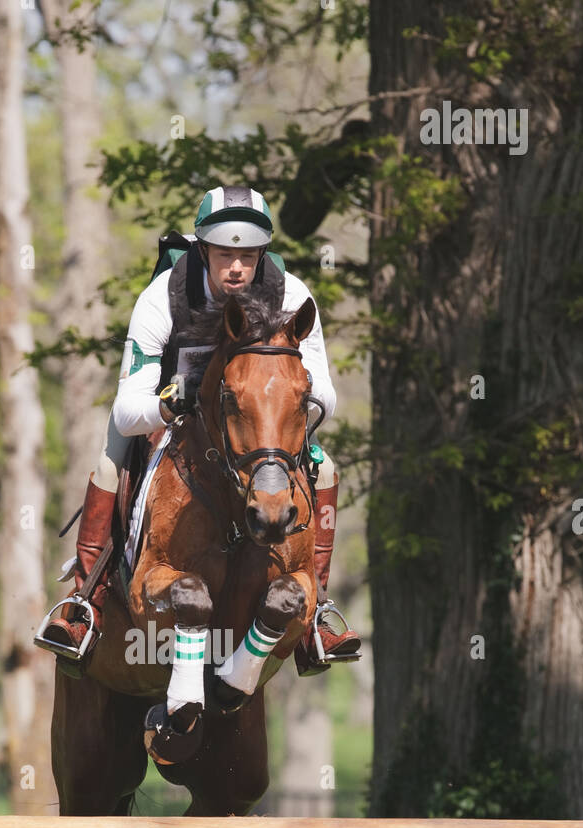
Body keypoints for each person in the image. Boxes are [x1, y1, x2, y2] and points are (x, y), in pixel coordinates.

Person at [36, 184, 360, 675]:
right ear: (203, 250)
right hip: (171, 414)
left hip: (255, 425)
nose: (236, 267)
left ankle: (318, 614)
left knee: (327, 466)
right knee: (108, 462)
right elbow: (127, 409)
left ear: (262, 254)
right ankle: (87, 602)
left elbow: (327, 400)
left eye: (248, 256)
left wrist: (289, 386)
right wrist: (172, 402)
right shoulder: (162, 297)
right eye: (226, 254)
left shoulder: (292, 295)